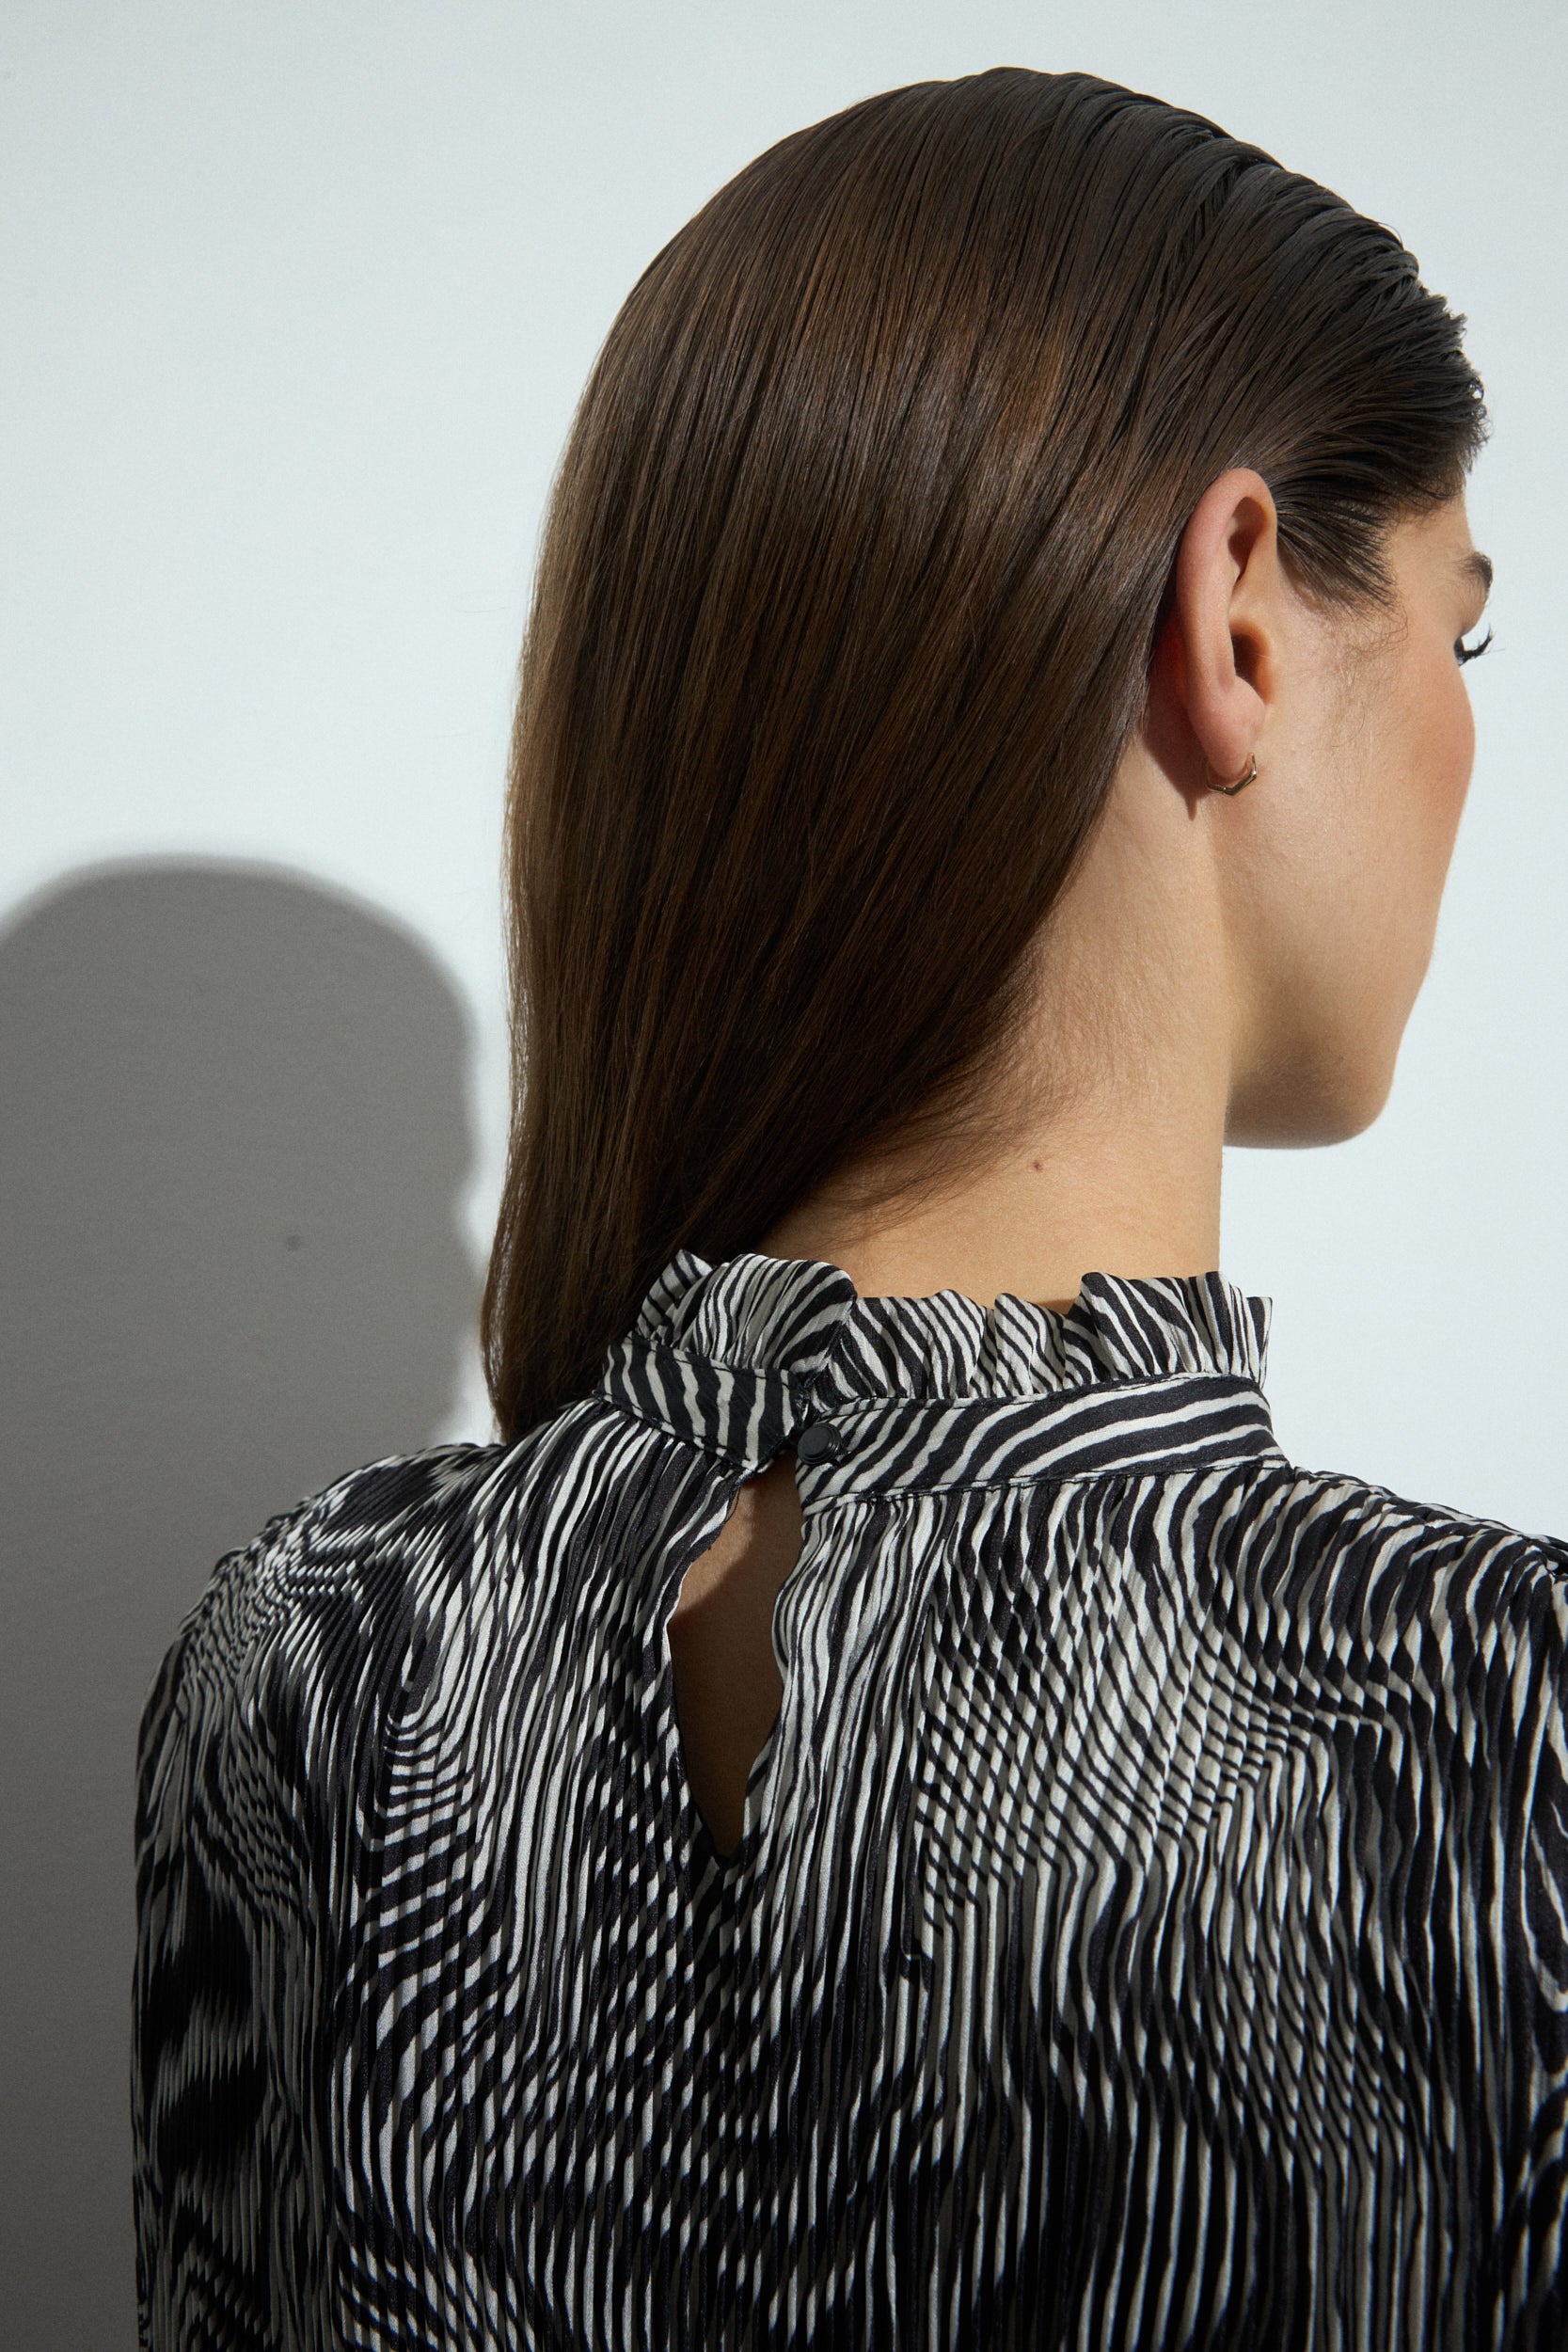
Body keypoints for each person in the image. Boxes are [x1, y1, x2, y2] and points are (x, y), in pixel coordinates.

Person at [130, 65, 1564, 2351]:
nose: (1483, 742)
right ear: (1241, 617)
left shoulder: (292, 1671)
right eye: (1465, 630)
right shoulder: (1503, 1726)